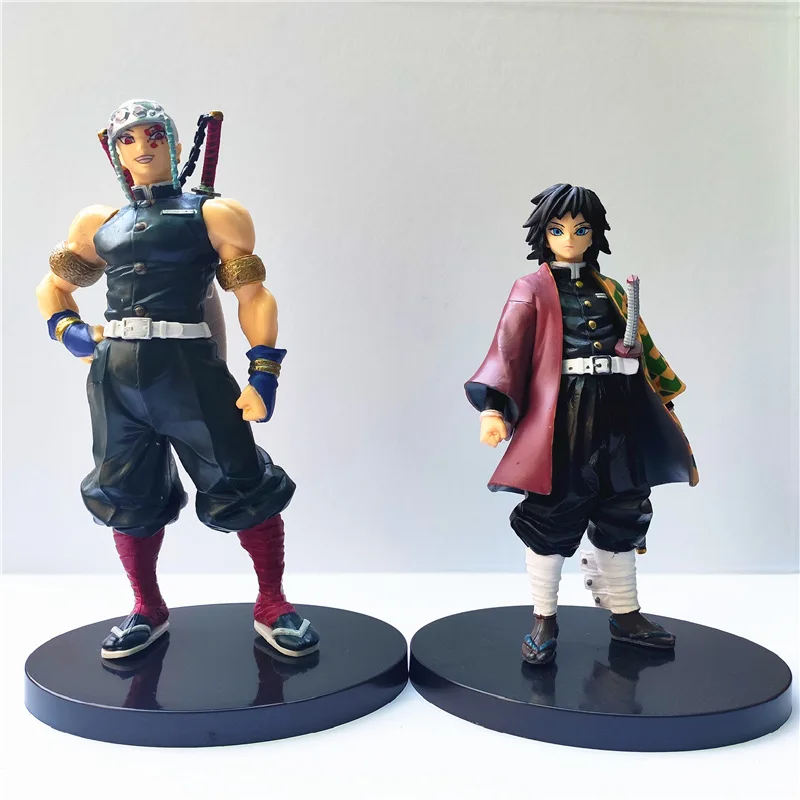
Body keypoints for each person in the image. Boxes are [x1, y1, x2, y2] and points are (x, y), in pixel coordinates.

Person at [36, 99, 319, 659]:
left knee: (241, 480)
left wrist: (263, 370)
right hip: (115, 378)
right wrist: (68, 329)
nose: (142, 147)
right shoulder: (98, 224)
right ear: (115, 153)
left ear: (174, 142)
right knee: (126, 492)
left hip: (190, 372)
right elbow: (53, 287)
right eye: (127, 139)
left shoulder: (214, 215)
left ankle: (272, 602)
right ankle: (146, 607)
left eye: (152, 135)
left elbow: (253, 295)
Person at [465, 183, 697, 665]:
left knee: (623, 507)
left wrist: (646, 375)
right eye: (558, 229)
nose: (569, 238)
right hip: (563, 418)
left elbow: (644, 345)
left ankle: (625, 612)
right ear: (543, 234)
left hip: (617, 411)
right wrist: (493, 409)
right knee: (552, 513)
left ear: (595, 234)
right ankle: (544, 618)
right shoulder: (530, 289)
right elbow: (507, 350)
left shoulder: (613, 290)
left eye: (580, 229)